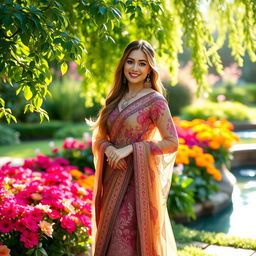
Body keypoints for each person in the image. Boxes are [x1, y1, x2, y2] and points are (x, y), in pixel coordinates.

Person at [91, 39, 179, 256]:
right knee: (109, 234)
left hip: (136, 183)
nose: (135, 68)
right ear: (123, 64)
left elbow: (171, 142)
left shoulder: (155, 101)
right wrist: (108, 148)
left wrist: (132, 148)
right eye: (131, 62)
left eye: (142, 63)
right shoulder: (115, 98)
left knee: (125, 239)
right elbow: (100, 137)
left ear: (150, 69)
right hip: (112, 179)